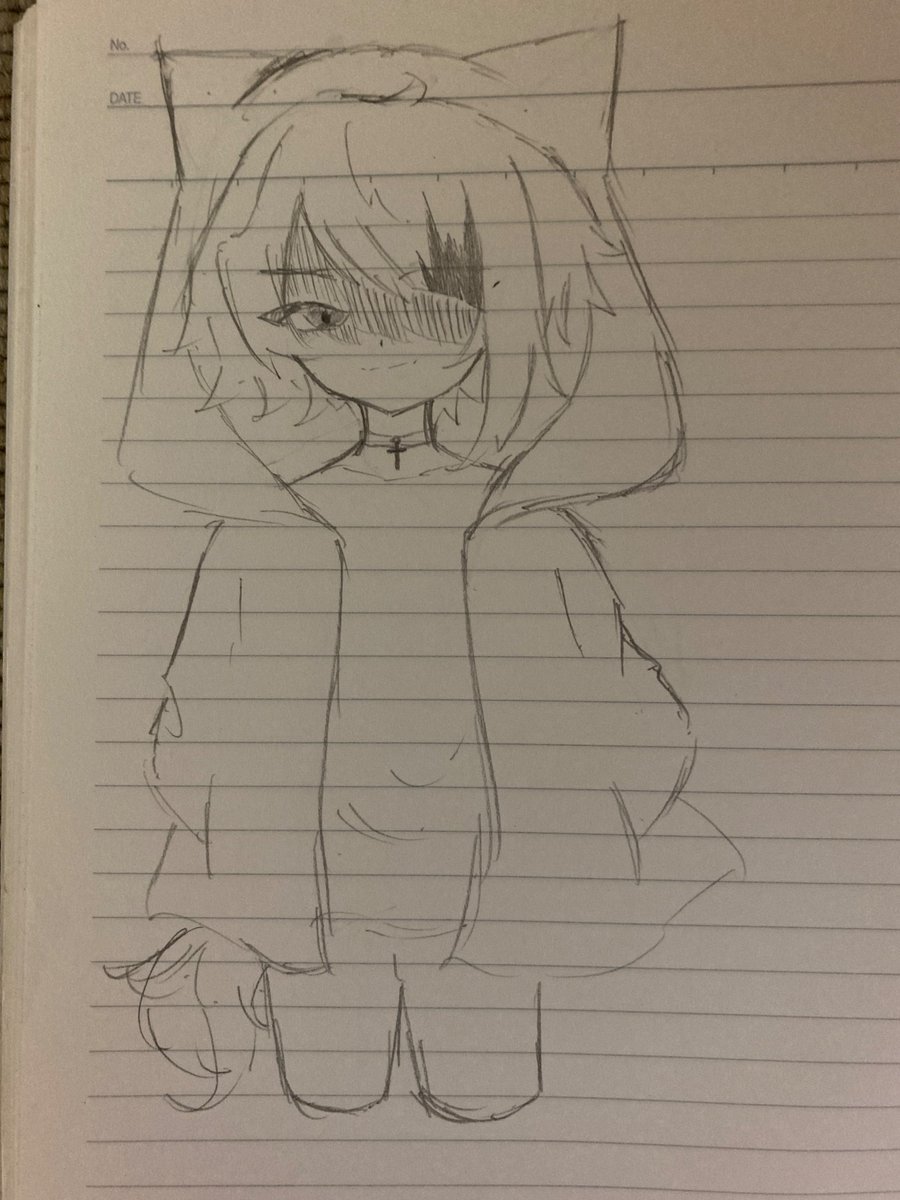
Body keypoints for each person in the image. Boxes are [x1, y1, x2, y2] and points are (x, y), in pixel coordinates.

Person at [109, 32, 743, 1121]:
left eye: (440, 299)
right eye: (315, 311)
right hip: (313, 890)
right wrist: (220, 821)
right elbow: (200, 701)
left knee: (489, 1093)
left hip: (497, 883)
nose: (380, 347)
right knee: (328, 1094)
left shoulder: (526, 525)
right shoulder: (266, 527)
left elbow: (617, 696)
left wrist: (613, 797)